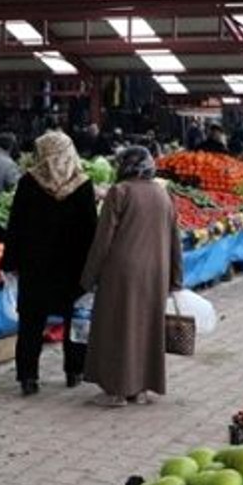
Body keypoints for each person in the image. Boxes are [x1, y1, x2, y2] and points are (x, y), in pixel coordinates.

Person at [80, 146, 183, 407]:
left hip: (122, 272)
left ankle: (116, 391)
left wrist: (88, 276)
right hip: (156, 272)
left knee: (117, 327)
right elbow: (175, 240)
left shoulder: (120, 192)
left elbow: (103, 239)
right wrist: (176, 278)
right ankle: (139, 389)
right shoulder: (163, 193)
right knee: (146, 328)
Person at [2, 131, 96, 396]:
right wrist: (94, 269)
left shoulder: (29, 183)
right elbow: (91, 229)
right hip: (73, 266)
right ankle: (74, 371)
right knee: (73, 320)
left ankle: (28, 377)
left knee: (31, 322)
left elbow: (16, 226)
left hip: (36, 266)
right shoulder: (82, 185)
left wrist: (11, 261)